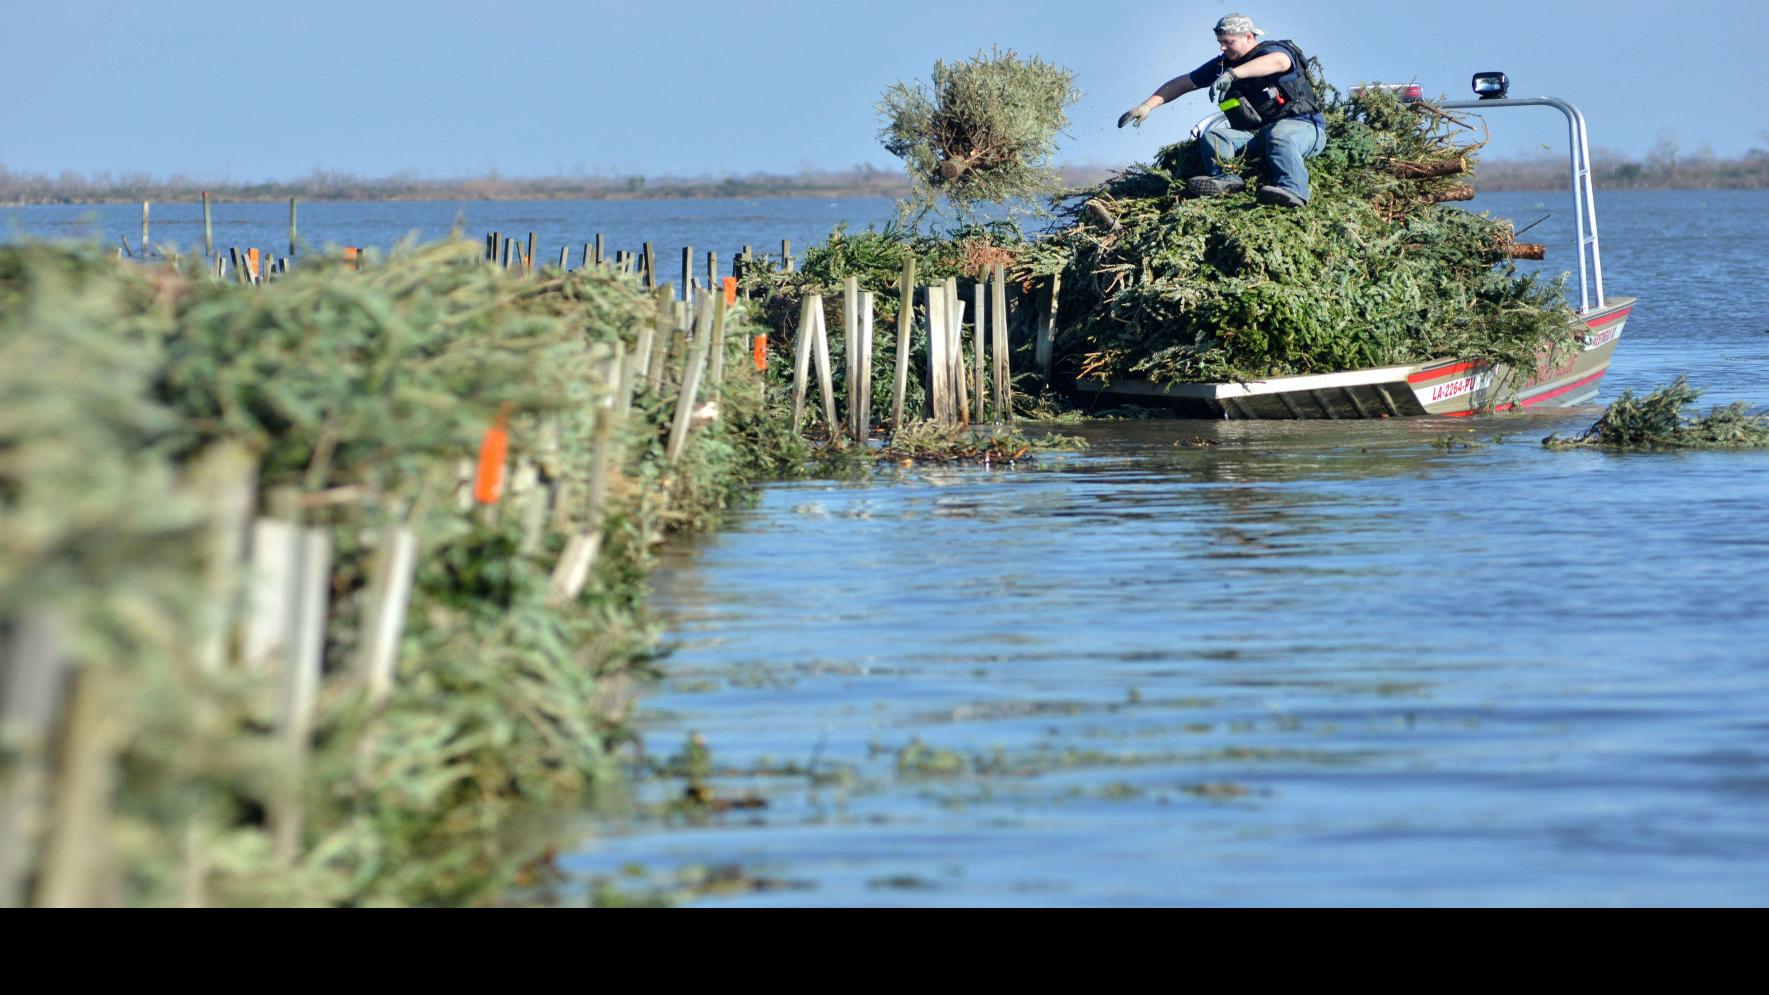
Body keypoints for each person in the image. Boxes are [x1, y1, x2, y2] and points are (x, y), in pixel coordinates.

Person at [1117, 13, 1327, 207]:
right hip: (1259, 136)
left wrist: (1233, 75)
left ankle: (1294, 191)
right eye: (1220, 42)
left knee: (1279, 135)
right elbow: (1183, 82)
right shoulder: (1222, 65)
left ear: (1247, 37)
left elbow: (1279, 62)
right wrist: (1147, 106)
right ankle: (1226, 179)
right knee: (1215, 137)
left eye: (1228, 42)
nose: (1222, 48)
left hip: (1304, 128)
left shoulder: (1274, 51)